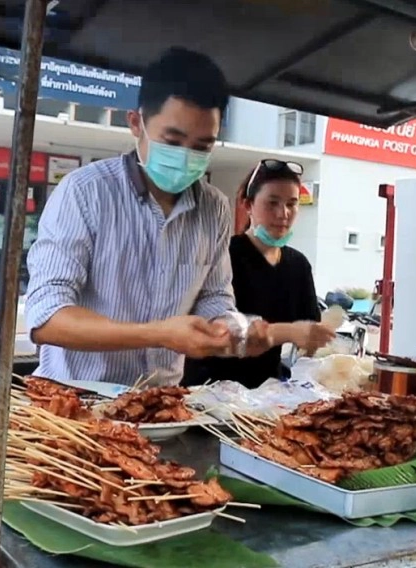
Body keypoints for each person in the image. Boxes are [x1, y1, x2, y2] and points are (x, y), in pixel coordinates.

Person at [25, 48, 268, 387]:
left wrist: (230, 329)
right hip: (75, 399)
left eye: (202, 146)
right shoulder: (84, 193)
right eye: (173, 141)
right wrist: (158, 334)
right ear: (136, 123)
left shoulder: (213, 207)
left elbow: (214, 297)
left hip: (160, 400)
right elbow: (46, 318)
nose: (186, 157)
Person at [183, 159, 336, 388]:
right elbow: (213, 331)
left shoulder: (298, 265)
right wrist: (288, 332)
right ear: (248, 204)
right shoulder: (223, 256)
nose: (283, 213)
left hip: (267, 393)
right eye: (272, 203)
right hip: (209, 390)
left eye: (291, 204)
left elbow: (308, 336)